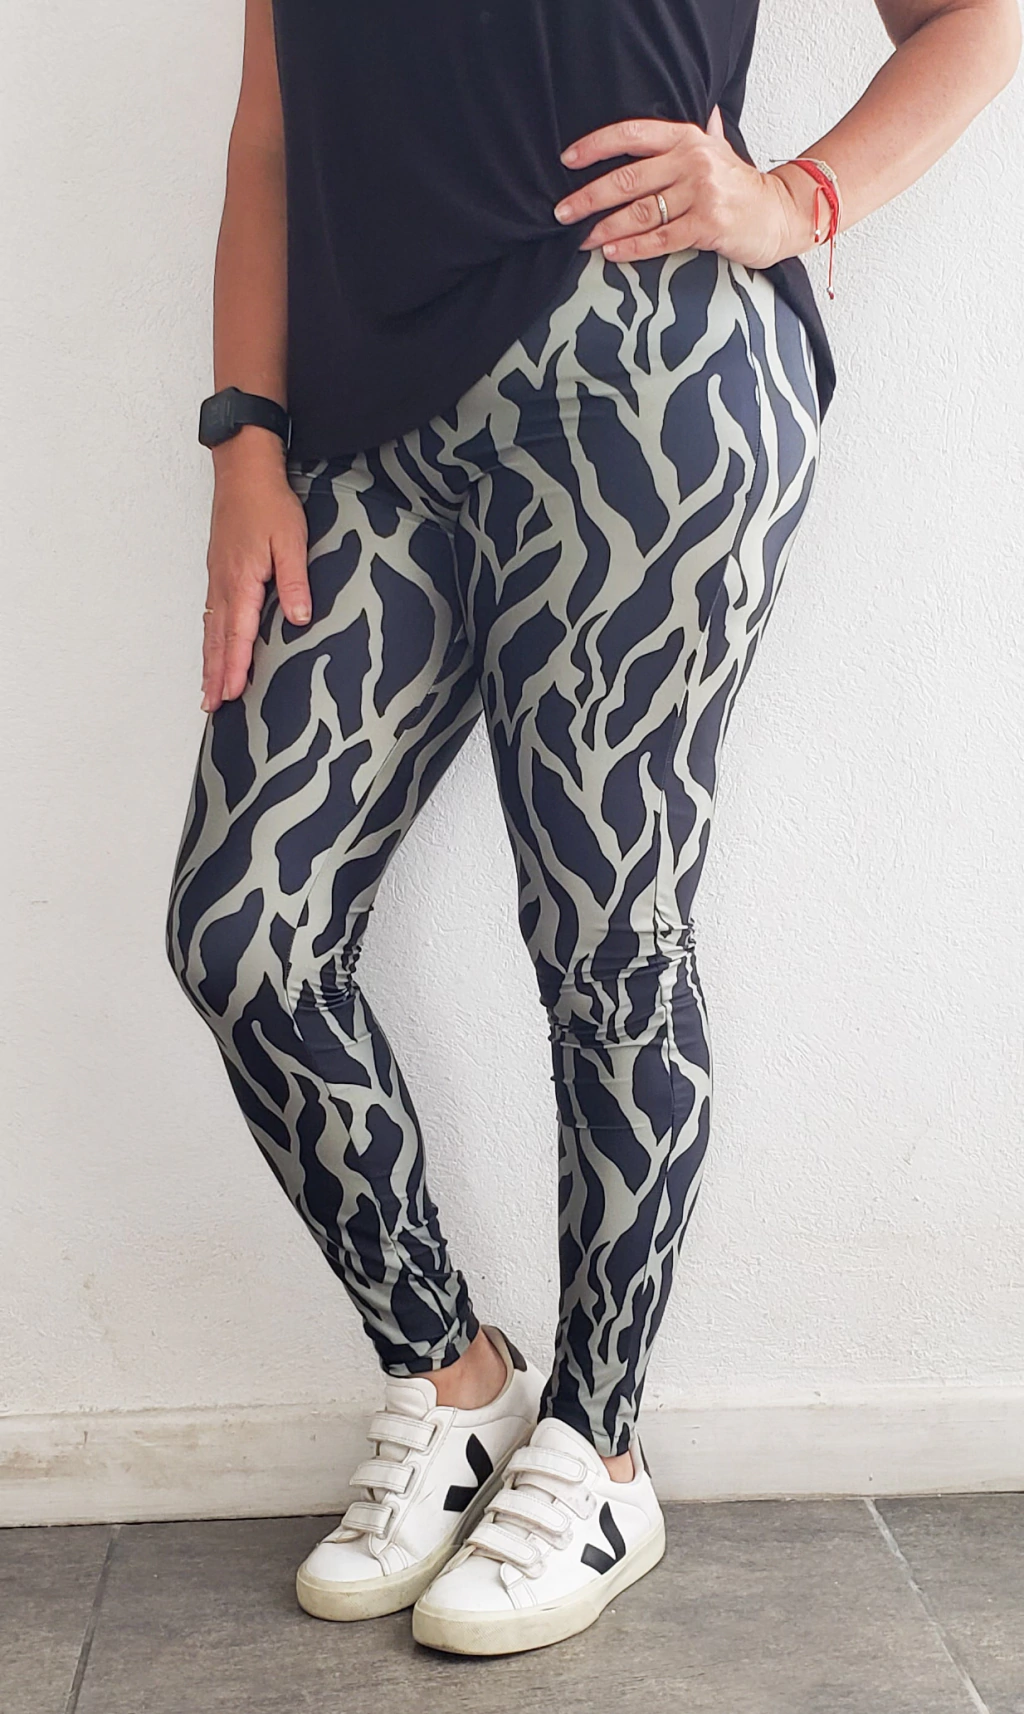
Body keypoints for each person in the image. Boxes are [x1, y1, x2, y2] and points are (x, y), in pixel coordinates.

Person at [166, 0, 1020, 1659]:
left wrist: (800, 199)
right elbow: (271, 132)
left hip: (648, 375)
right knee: (243, 931)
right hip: (361, 425)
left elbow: (975, 21)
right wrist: (243, 432)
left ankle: (601, 1446)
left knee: (607, 936)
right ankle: (453, 1377)